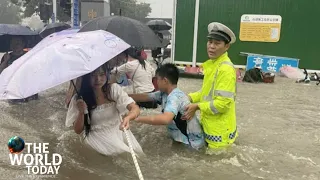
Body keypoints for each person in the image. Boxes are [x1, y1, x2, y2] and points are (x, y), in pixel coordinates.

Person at [65, 64, 144, 156]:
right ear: (86, 77)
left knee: (137, 156)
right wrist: (82, 112)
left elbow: (135, 108)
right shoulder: (78, 99)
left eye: (102, 74)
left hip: (120, 133)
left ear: (107, 74)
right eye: (93, 75)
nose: (98, 79)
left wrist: (128, 118)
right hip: (97, 139)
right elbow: (78, 130)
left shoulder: (113, 90)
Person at [183, 22, 238, 151]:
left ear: (227, 46)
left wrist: (197, 106)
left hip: (220, 135)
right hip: (211, 127)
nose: (211, 47)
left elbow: (222, 104)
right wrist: (189, 97)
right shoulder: (213, 65)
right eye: (210, 42)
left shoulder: (225, 69)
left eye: (217, 43)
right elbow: (207, 93)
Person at [126, 63, 205, 150]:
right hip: (182, 139)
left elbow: (165, 119)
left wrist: (136, 118)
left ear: (165, 81)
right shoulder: (164, 94)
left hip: (192, 145)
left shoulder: (174, 97)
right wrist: (121, 96)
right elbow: (145, 96)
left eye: (157, 79)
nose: (156, 82)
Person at [0, 36, 38, 103]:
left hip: (29, 87)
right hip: (14, 89)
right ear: (10, 45)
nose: (15, 45)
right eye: (13, 43)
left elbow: (36, 70)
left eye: (18, 43)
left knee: (33, 105)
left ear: (23, 44)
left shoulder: (29, 55)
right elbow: (1, 73)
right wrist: (5, 61)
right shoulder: (6, 56)